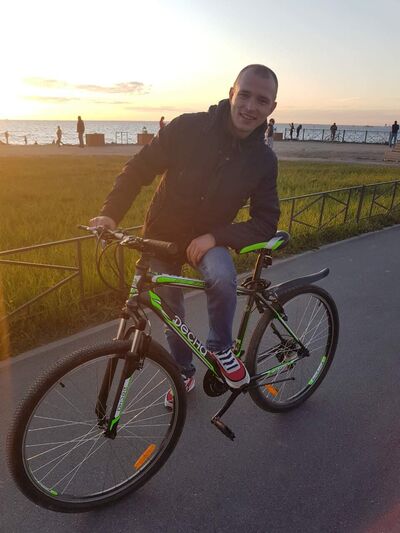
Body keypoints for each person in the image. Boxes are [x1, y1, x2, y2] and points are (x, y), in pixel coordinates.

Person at [90, 64, 280, 406]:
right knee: (170, 312)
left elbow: (266, 220)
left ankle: (221, 349)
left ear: (272, 108)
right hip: (161, 235)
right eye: (245, 95)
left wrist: (216, 237)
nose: (251, 106)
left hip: (209, 239)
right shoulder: (187, 128)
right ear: (231, 93)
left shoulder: (263, 160)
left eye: (262, 100)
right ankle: (183, 371)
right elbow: (138, 169)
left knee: (221, 277)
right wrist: (110, 214)